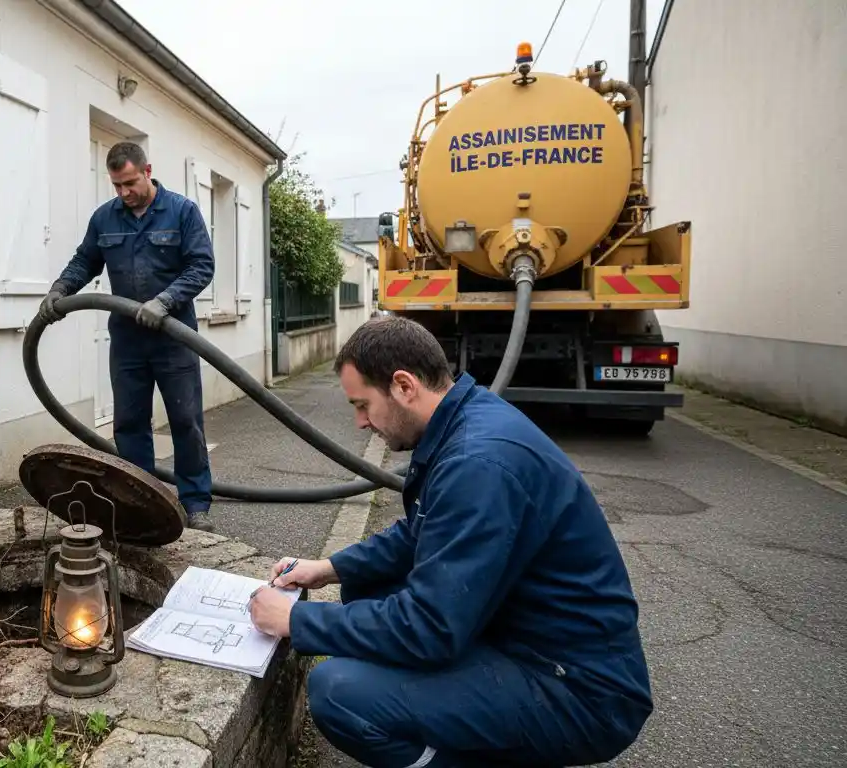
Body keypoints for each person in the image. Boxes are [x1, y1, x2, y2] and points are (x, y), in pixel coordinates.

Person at [247, 316, 653, 767]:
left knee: (339, 693)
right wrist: (328, 569)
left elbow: (431, 628)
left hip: (577, 689)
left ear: (404, 386)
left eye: (363, 405)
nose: (360, 422)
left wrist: (297, 619)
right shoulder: (464, 420)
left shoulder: (477, 463)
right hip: (529, 639)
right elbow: (421, 531)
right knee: (366, 584)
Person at [38, 142, 216, 532]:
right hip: (127, 339)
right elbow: (85, 260)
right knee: (130, 423)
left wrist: (165, 301)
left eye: (130, 183)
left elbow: (202, 266)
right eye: (117, 185)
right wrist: (60, 289)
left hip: (174, 337)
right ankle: (143, 503)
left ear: (147, 171)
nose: (124, 192)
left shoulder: (182, 211)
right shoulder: (105, 217)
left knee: (185, 420)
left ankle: (195, 503)